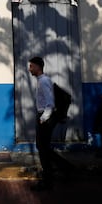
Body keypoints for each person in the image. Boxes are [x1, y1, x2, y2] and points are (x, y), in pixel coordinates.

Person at [28, 56, 74, 191]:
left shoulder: (43, 81)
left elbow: (50, 103)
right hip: (44, 117)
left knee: (42, 148)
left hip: (46, 117)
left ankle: (48, 180)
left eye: (31, 66)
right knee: (43, 147)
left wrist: (43, 118)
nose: (29, 69)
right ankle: (65, 168)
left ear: (37, 66)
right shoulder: (42, 81)